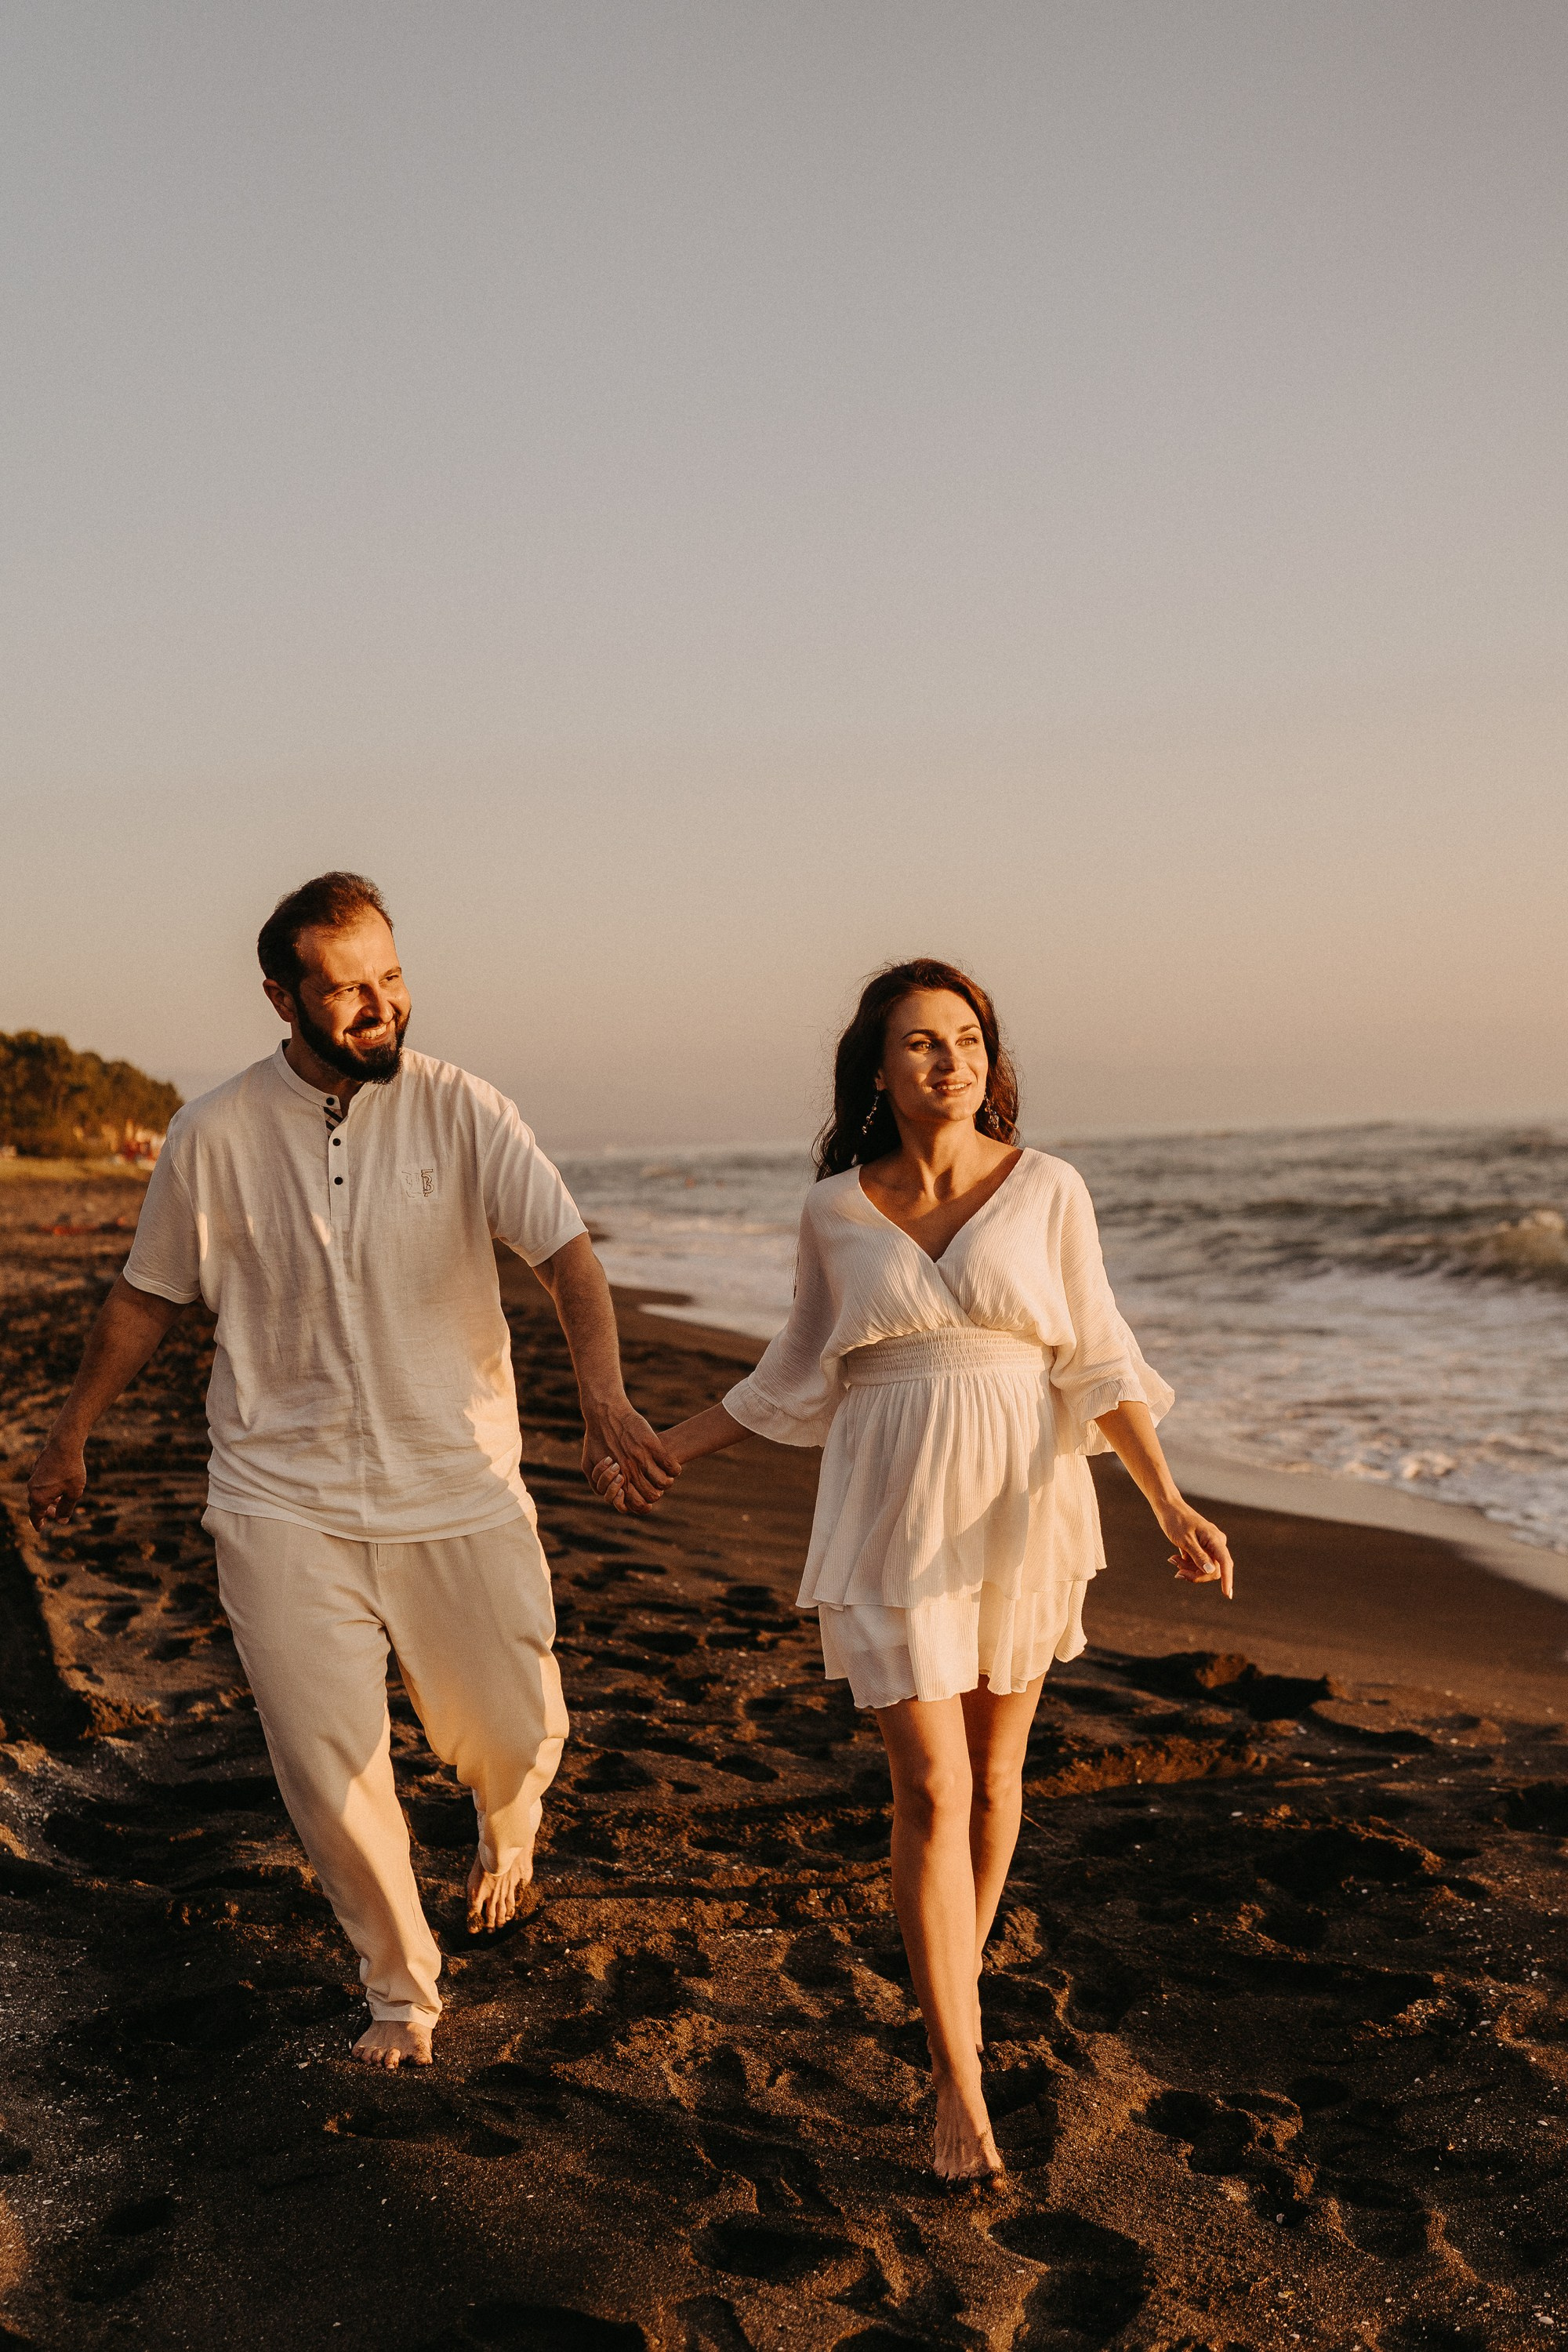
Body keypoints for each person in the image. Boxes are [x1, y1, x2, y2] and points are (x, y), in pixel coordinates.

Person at [597, 958, 1233, 2181]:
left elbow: (1097, 1359)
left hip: (1022, 1504)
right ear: (878, 1069)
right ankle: (959, 2077)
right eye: (923, 1043)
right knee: (933, 1794)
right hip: (891, 1506)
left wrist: (1169, 1499)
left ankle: (952, 1995)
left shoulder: (1049, 1189)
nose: (953, 1061)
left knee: (998, 1786)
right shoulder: (836, 1208)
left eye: (969, 1040)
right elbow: (796, 1369)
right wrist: (667, 1447)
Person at [28, 873, 676, 2071]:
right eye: (347, 988)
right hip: (282, 1495)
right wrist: (70, 1430)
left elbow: (569, 1255)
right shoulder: (212, 1135)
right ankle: (400, 1988)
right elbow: (145, 1298)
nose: (381, 1007)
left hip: (459, 1480)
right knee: (325, 1758)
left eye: (390, 978)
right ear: (282, 995)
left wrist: (601, 1396)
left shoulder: (464, 1108)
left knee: (516, 1724)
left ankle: (506, 1824)